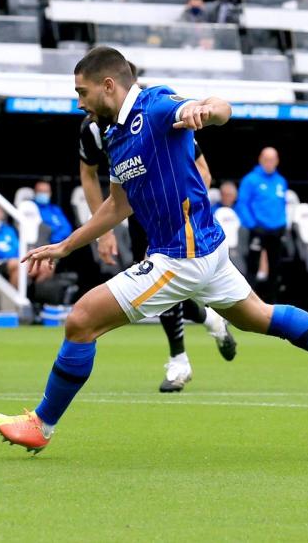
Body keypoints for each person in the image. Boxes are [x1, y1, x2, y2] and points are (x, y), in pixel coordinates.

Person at [0, 46, 308, 453]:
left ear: (108, 85)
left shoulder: (154, 106)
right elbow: (119, 204)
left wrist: (203, 110)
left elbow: (221, 108)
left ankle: (42, 424)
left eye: (82, 92)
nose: (79, 102)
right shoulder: (113, 135)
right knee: (261, 317)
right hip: (207, 250)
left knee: (80, 320)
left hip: (181, 256)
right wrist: (66, 245)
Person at [77, 106, 236, 394]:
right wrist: (104, 232)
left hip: (176, 214)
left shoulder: (157, 116)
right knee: (163, 285)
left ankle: (180, 361)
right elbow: (88, 175)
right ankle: (208, 321)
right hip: (138, 212)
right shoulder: (92, 129)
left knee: (166, 281)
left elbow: (203, 171)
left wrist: (184, 213)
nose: (83, 103)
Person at [238, 147, 288, 302]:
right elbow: (242, 204)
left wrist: (283, 224)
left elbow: (282, 205)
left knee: (275, 268)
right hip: (258, 230)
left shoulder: (281, 181)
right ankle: (249, 304)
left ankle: (272, 304)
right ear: (260, 159)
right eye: (266, 159)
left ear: (277, 161)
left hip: (276, 231)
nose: (269, 163)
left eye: (272, 159)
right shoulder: (251, 180)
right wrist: (253, 225)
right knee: (252, 267)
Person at [30, 180, 73, 245]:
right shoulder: (31, 208)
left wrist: (57, 239)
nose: (43, 194)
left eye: (46, 191)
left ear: (50, 193)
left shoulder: (55, 209)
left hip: (59, 244)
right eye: (40, 191)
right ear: (35, 192)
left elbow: (67, 227)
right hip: (42, 244)